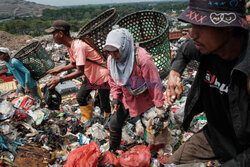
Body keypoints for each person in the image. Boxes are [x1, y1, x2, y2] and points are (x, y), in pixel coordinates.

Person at [165, 0, 249, 165]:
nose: (193, 34)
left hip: (244, 148)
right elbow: (183, 51)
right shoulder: (207, 48)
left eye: (201, 26)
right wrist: (174, 73)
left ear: (228, 26)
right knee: (171, 163)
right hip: (215, 138)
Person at [103, 28, 167, 152]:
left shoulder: (142, 58)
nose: (113, 55)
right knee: (114, 124)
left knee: (150, 129)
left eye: (116, 52)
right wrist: (115, 97)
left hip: (144, 100)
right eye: (109, 52)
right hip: (125, 98)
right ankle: (113, 152)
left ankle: (151, 153)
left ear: (124, 47)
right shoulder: (111, 60)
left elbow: (154, 83)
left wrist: (159, 106)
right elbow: (113, 80)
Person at [45, 20, 111, 125]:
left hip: (102, 76)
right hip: (91, 76)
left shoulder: (78, 46)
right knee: (80, 97)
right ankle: (88, 121)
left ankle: (109, 124)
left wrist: (60, 79)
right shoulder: (70, 46)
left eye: (54, 33)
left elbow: (80, 72)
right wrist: (59, 69)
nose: (53, 36)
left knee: (105, 104)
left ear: (61, 33)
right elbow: (74, 64)